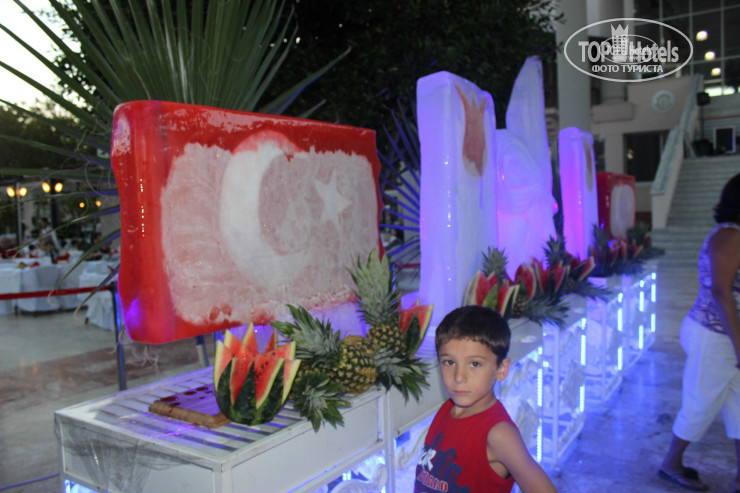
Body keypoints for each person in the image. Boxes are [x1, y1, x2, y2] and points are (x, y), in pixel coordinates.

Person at [414, 305, 558, 493]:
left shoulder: (499, 434)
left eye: (475, 364)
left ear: (501, 369)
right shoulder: (446, 410)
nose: (459, 377)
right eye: (449, 362)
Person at [659, 173, 740, 492]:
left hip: (726, 336)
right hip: (716, 335)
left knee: (738, 407)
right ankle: (671, 463)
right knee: (700, 403)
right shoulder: (729, 235)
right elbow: (720, 291)